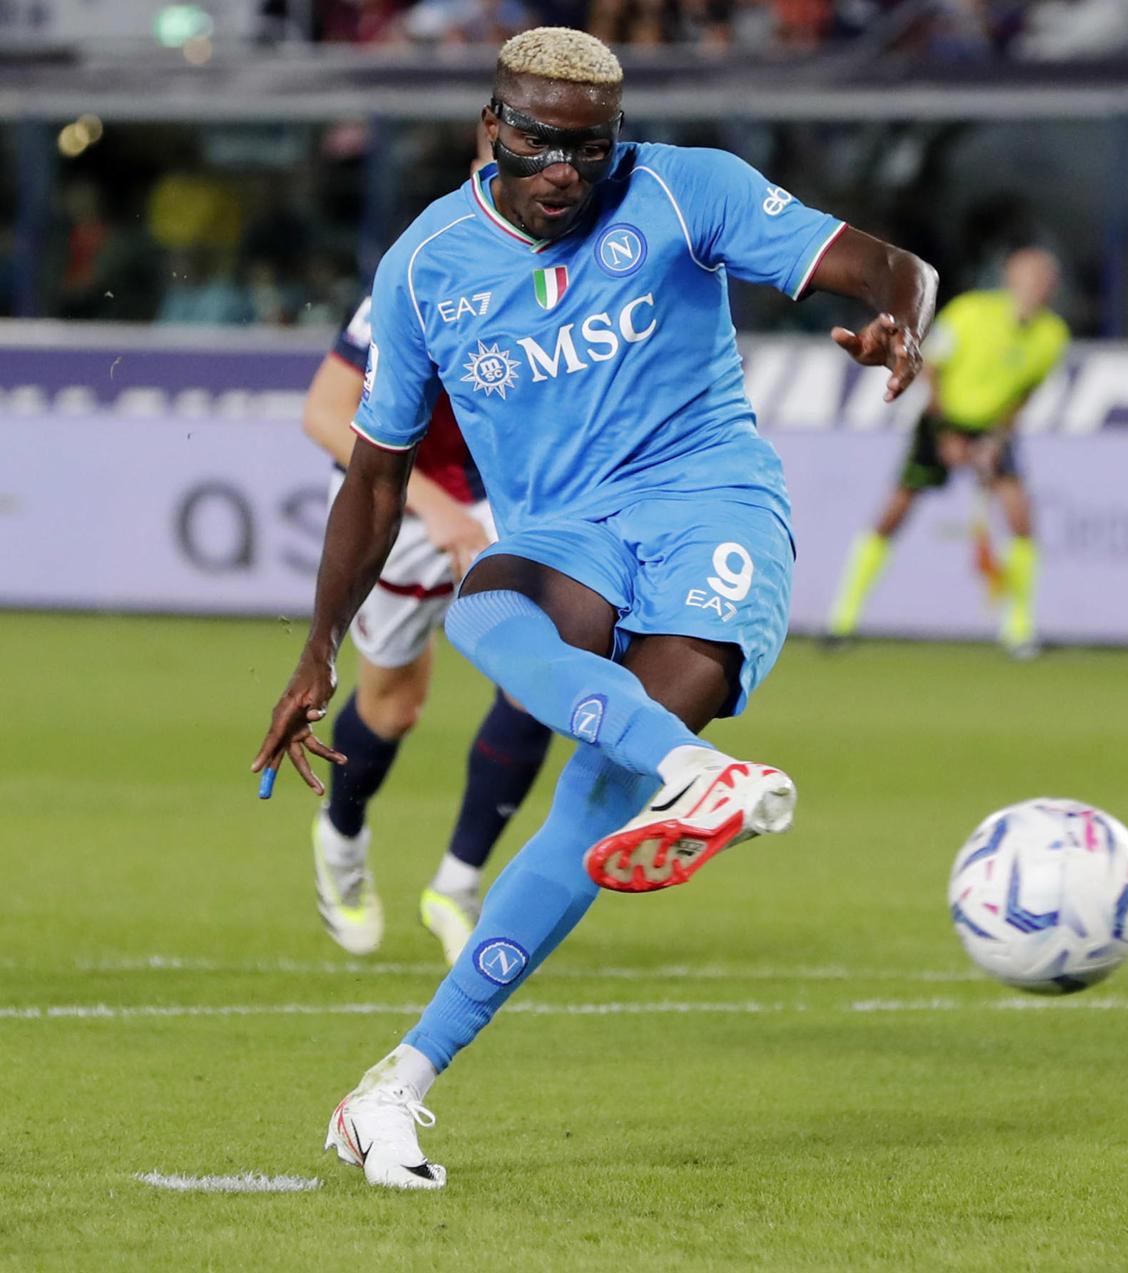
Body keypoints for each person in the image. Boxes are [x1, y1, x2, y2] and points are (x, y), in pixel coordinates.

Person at [250, 27, 935, 1188]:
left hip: (711, 505)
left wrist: (897, 320)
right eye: (542, 144)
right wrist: (317, 650)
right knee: (482, 603)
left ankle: (394, 1087)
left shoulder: (684, 187)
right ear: (491, 130)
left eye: (591, 146)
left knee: (596, 803)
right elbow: (374, 478)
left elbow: (887, 263)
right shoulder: (425, 267)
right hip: (564, 533)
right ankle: (691, 774)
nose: (569, 168)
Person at [302, 284, 554, 966]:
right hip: (396, 496)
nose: (552, 175)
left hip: (511, 495)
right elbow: (325, 414)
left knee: (543, 677)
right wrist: (436, 504)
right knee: (393, 704)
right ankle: (341, 837)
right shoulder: (424, 274)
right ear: (483, 170)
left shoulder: (582, 267)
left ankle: (457, 884)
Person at [825, 247, 1066, 657]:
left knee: (1020, 519)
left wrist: (994, 440)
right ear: (1011, 277)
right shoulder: (970, 312)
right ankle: (841, 621)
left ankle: (1019, 630)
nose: (1037, 287)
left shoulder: (1052, 336)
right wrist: (945, 434)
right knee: (893, 515)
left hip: (991, 430)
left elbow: (1026, 394)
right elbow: (930, 368)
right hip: (942, 418)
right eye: (1030, 277)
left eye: (1044, 280)